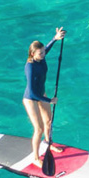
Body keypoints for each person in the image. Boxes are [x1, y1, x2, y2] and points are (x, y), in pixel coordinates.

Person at [24, 26, 66, 166]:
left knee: (48, 121)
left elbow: (47, 48)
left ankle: (48, 143)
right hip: (31, 98)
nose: (43, 54)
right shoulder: (30, 67)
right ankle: (36, 158)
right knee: (39, 129)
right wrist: (50, 100)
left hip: (41, 94)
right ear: (32, 53)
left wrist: (55, 38)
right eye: (40, 53)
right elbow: (32, 92)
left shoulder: (40, 58)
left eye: (43, 52)